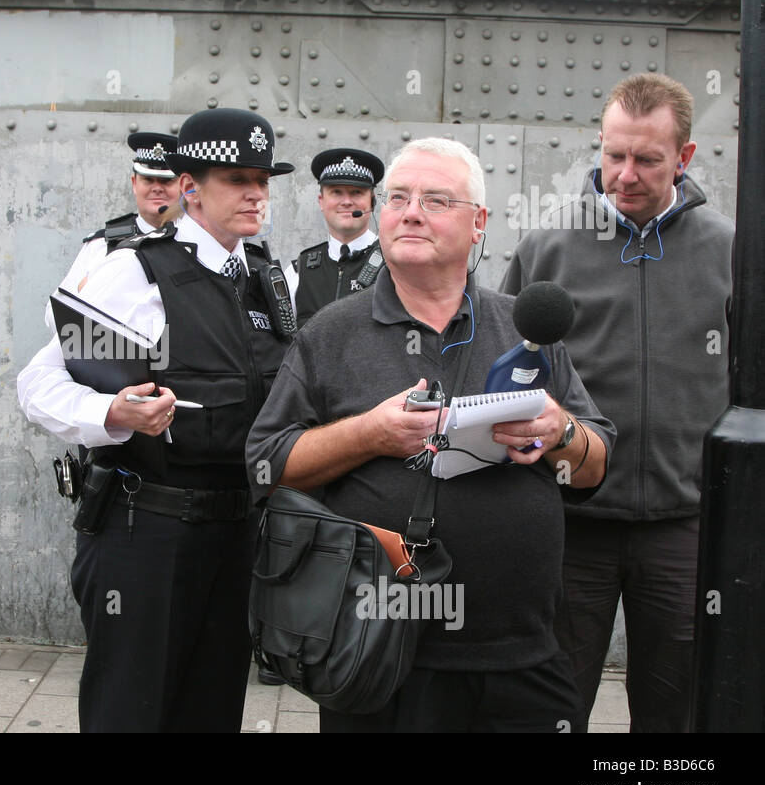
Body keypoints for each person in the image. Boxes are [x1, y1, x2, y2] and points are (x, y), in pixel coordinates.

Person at [246, 137, 615, 732]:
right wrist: (369, 435)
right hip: (379, 650)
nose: (411, 211)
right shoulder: (331, 333)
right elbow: (265, 464)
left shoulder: (525, 328)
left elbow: (595, 466)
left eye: (436, 199)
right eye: (398, 197)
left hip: (523, 653)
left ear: (478, 224)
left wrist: (562, 430)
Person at [18, 108, 295, 732]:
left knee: (213, 709)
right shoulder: (136, 272)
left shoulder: (267, 282)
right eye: (238, 179)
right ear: (191, 187)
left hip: (236, 538)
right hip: (148, 535)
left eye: (264, 178)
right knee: (133, 712)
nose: (256, 192)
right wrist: (110, 413)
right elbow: (39, 383)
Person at [501, 73, 734, 733]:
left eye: (647, 159)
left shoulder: (733, 252)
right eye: (613, 154)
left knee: (677, 712)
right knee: (549, 705)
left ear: (684, 159)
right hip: (568, 525)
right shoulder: (545, 249)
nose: (624, 175)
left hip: (686, 528)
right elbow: (502, 380)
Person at [44, 133, 181, 328]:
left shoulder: (196, 242)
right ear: (134, 184)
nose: (157, 188)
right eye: (148, 180)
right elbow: (54, 315)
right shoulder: (103, 245)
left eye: (166, 181)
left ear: (184, 186)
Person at [285, 148, 386, 328]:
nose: (346, 201)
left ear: (372, 201)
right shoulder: (297, 272)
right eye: (337, 192)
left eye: (356, 192)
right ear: (321, 201)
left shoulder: (394, 264)